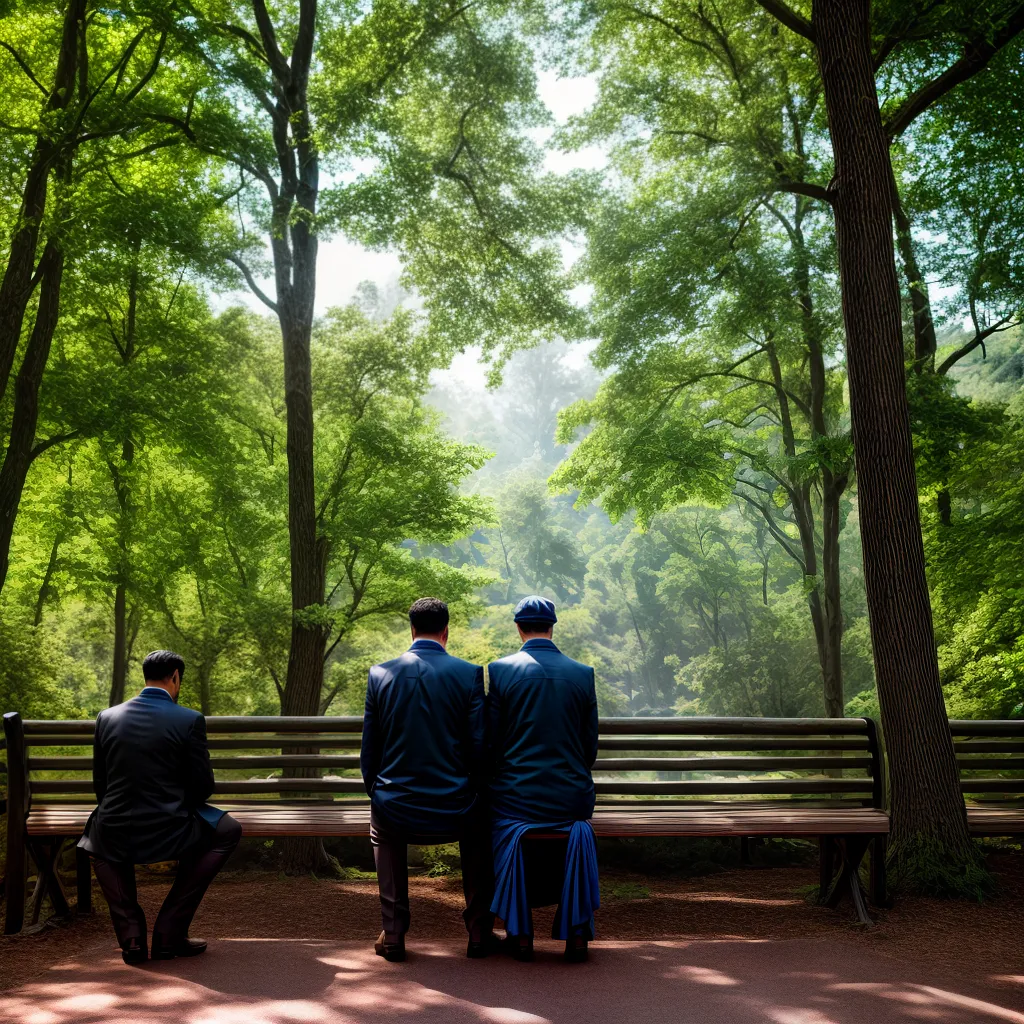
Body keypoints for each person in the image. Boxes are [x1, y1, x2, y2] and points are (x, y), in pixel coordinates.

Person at [78, 650, 241, 965]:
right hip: (170, 827)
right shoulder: (189, 719)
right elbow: (203, 788)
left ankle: (132, 939)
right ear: (176, 677)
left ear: (145, 676)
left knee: (98, 837)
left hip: (115, 824)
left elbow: (101, 784)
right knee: (228, 830)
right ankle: (169, 933)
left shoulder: (107, 717)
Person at [361, 597, 498, 962]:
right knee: (482, 822)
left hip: (395, 805)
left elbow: (369, 751)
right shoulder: (468, 673)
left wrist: (378, 792)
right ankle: (479, 931)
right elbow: (479, 747)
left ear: (412, 630)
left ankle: (394, 934)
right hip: (456, 806)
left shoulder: (380, 674)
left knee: (383, 830)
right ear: (445, 632)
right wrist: (474, 790)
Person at [486, 595, 600, 963]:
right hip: (572, 800)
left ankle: (519, 934)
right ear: (552, 627)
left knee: (494, 823)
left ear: (518, 628)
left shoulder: (500, 671)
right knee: (576, 826)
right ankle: (577, 934)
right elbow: (589, 749)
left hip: (516, 798)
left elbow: (491, 742)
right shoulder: (582, 674)